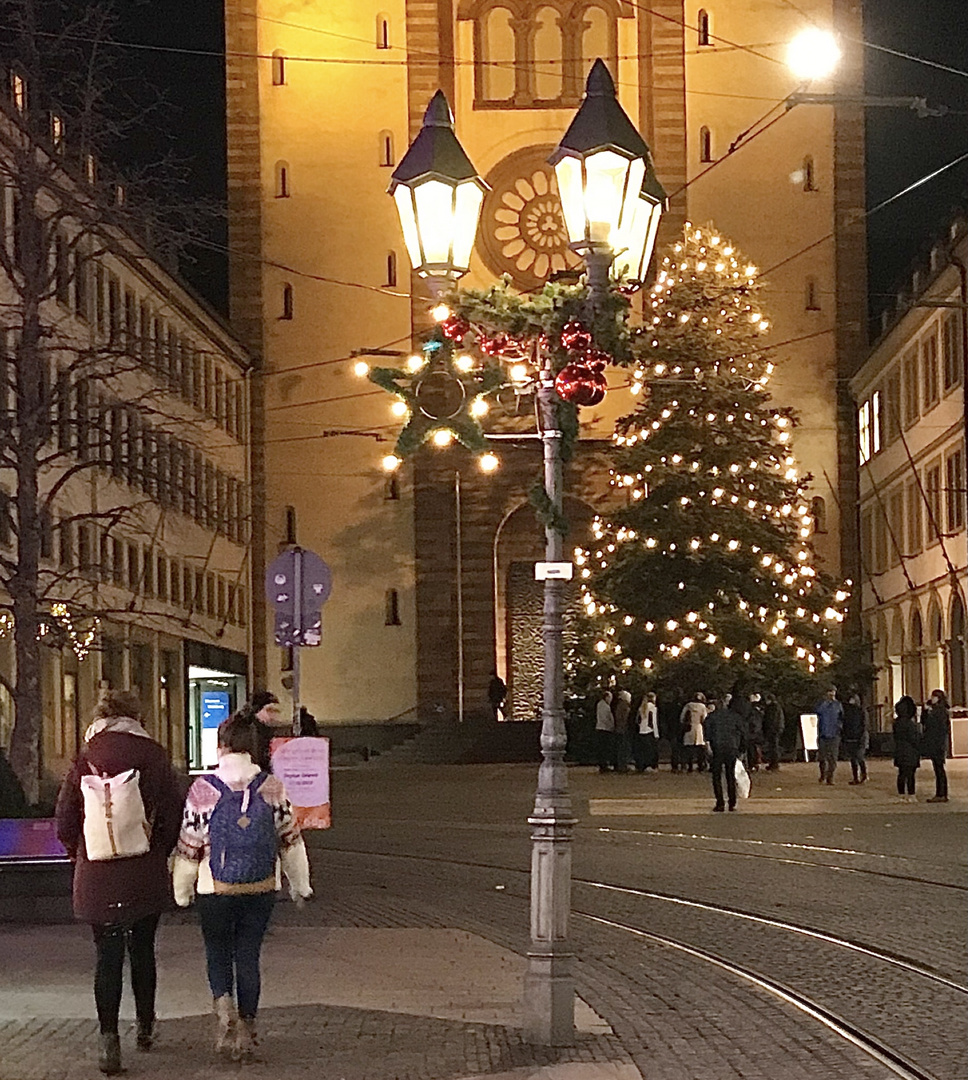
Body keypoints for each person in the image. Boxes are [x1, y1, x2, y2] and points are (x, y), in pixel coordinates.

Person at [55, 690, 183, 1076]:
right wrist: (158, 848)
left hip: (97, 873)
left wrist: (78, 852)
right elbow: (174, 811)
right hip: (142, 869)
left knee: (107, 955)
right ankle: (145, 1027)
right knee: (142, 949)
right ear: (136, 716)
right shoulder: (153, 754)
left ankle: (108, 1039)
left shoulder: (85, 757)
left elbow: (64, 817)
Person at [173, 711, 312, 1062]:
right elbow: (290, 840)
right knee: (248, 955)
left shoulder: (203, 788)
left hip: (214, 888)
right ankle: (248, 1028)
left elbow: (190, 845)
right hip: (261, 886)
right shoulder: (271, 786)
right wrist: (300, 885)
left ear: (222, 746)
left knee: (218, 953)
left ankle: (224, 1012)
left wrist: (182, 889)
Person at [704, 698, 746, 811]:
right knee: (730, 775)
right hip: (732, 747)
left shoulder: (711, 717)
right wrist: (741, 750)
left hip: (717, 748)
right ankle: (732, 802)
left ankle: (720, 803)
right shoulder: (735, 717)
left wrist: (708, 748)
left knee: (716, 776)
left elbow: (707, 735)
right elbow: (743, 733)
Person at [920, 689, 950, 803]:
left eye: (933, 697)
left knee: (939, 769)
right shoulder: (934, 710)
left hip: (938, 743)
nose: (931, 698)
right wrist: (925, 711)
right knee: (938, 768)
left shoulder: (940, 711)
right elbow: (924, 722)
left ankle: (941, 793)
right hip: (935, 743)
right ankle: (940, 793)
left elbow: (938, 728)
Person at [245, 690, 284, 771]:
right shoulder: (250, 729)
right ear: (258, 709)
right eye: (269, 710)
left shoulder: (265, 728)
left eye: (276, 711)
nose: (273, 715)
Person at [892, 695, 921, 803]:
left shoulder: (897, 723)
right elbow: (914, 738)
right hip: (910, 751)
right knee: (910, 774)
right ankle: (911, 794)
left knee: (901, 773)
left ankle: (901, 794)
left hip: (900, 750)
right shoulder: (910, 724)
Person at [815, 686, 844, 785]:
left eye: (833, 692)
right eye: (829, 692)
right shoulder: (822, 705)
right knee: (822, 757)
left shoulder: (838, 705)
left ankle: (830, 777)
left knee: (833, 758)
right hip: (823, 734)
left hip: (834, 734)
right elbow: (818, 712)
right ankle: (823, 774)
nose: (831, 694)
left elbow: (842, 717)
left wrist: (839, 728)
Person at [842, 693, 868, 785]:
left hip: (859, 737)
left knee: (859, 757)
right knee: (853, 759)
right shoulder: (848, 712)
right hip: (850, 737)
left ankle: (864, 776)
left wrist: (862, 737)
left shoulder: (861, 711)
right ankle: (855, 777)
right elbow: (845, 723)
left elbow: (864, 725)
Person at [680, 692, 707, 773]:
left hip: (689, 728)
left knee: (689, 748)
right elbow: (704, 718)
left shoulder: (688, 705)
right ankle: (700, 766)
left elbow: (682, 717)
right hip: (698, 728)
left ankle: (690, 767)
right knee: (700, 748)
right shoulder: (702, 707)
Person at [634, 692, 660, 772]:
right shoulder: (652, 707)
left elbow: (638, 720)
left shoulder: (641, 707)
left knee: (642, 750)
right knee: (651, 750)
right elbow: (653, 721)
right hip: (649, 731)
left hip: (642, 730)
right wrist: (656, 733)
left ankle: (641, 766)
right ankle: (651, 766)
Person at [762, 693, 784, 772]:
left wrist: (768, 729)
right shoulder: (777, 707)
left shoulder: (772, 708)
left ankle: (774, 764)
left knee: (773, 747)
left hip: (773, 730)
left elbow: (770, 720)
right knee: (774, 747)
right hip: (777, 729)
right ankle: (774, 763)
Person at [612, 689, 632, 772]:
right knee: (623, 748)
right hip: (623, 729)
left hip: (619, 729)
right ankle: (623, 766)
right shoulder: (624, 705)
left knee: (621, 748)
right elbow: (625, 717)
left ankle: (621, 765)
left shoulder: (619, 705)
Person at [595, 691, 615, 773]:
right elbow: (606, 718)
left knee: (602, 748)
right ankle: (603, 765)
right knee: (604, 748)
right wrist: (611, 726)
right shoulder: (605, 707)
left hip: (600, 727)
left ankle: (602, 765)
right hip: (605, 729)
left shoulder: (600, 705)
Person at [746, 693, 765, 771]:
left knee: (752, 749)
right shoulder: (760, 711)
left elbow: (751, 721)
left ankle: (753, 764)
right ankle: (756, 763)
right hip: (757, 731)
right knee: (756, 748)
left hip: (752, 732)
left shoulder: (751, 711)